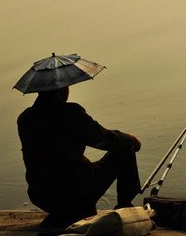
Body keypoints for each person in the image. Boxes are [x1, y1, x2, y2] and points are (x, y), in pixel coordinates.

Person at [17, 86, 141, 228]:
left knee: (67, 172)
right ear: (60, 90)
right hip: (77, 191)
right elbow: (104, 139)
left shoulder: (25, 118)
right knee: (126, 149)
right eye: (66, 88)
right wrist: (130, 139)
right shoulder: (71, 113)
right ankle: (124, 207)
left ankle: (65, 212)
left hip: (41, 195)